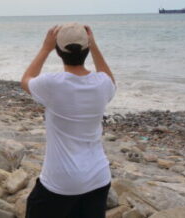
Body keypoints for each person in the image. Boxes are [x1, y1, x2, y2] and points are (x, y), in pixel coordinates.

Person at [21, 24, 116, 218]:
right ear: (87, 49)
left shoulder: (52, 83)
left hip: (61, 181)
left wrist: (45, 48)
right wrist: (94, 45)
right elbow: (109, 78)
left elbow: (26, 79)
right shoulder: (102, 83)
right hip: (98, 177)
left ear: (58, 51)